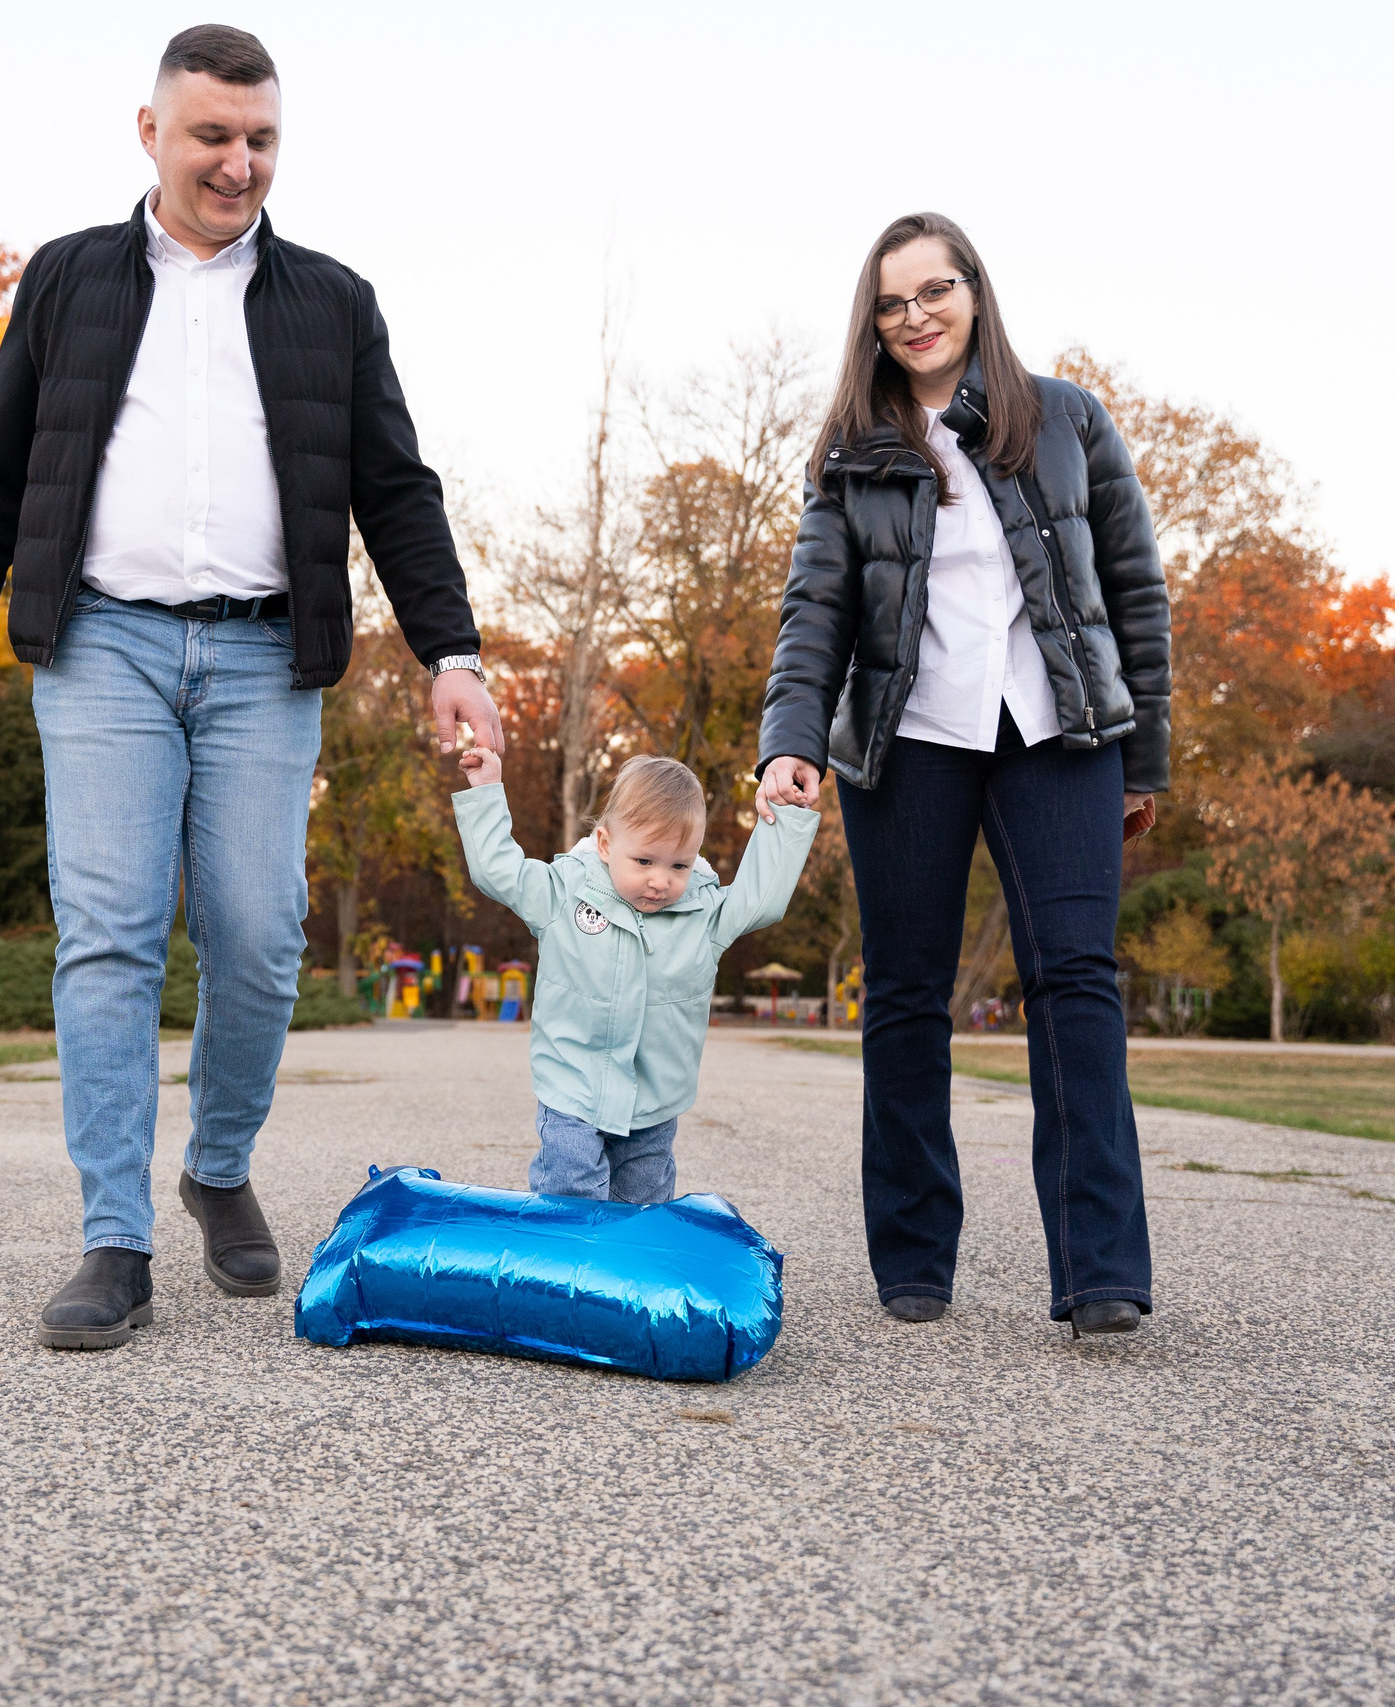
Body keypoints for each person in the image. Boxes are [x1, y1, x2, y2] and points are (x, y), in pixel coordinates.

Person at [0, 25, 502, 1350]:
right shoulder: (67, 281)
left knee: (258, 932)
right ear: (150, 131)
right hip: (102, 642)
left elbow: (396, 492)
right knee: (109, 929)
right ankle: (113, 1237)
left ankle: (217, 1162)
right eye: (212, 137)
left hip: (260, 656)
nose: (238, 164)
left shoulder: (331, 302)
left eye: (261, 140)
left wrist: (450, 654)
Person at [755, 212, 1170, 1338]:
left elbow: (1131, 589)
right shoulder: (852, 448)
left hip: (1057, 733)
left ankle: (1100, 1274)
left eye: (933, 290)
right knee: (903, 991)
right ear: (874, 323)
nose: (916, 315)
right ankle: (912, 1260)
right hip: (911, 739)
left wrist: (1147, 756)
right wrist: (789, 738)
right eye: (892, 303)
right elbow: (815, 612)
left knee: (1075, 982)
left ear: (974, 292)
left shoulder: (1065, 416)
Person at [454, 750, 818, 1202]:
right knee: (571, 1194)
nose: (660, 881)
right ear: (606, 844)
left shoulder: (704, 915)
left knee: (643, 1208)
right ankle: (568, 1264)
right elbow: (497, 870)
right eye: (644, 861)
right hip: (574, 1091)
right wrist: (487, 790)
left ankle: (628, 1268)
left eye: (679, 865)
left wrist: (785, 816)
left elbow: (762, 899)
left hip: (654, 1102)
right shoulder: (564, 894)